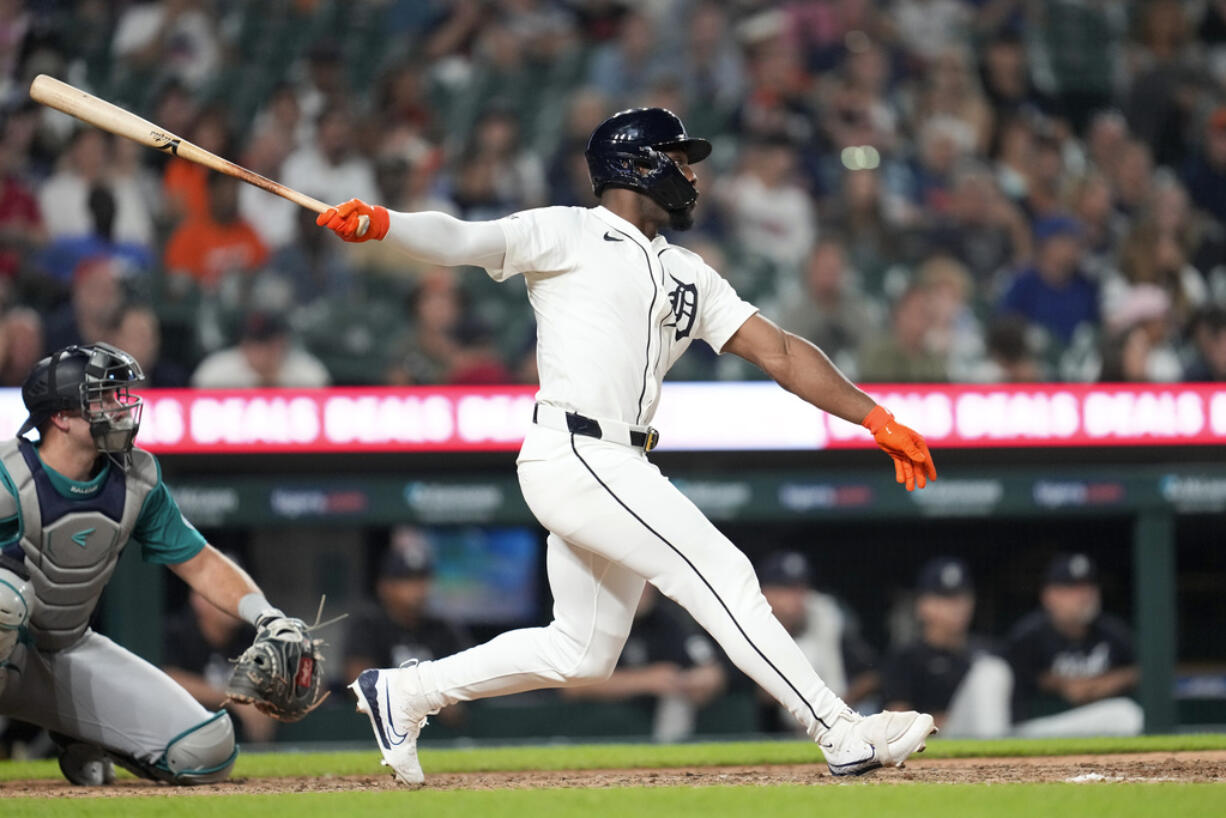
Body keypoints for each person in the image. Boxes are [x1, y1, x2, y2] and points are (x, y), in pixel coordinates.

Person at [316, 107, 938, 785]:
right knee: (721, 573)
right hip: (577, 449)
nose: (691, 174)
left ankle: (405, 693)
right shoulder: (568, 231)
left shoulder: (688, 271)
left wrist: (874, 418)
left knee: (581, 651)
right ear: (638, 164)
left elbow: (781, 351)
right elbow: (461, 238)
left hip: (619, 459)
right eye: (679, 158)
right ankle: (837, 728)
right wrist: (384, 223)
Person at [0, 342, 301, 785]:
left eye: (117, 395)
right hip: (7, 639)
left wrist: (266, 617)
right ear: (61, 417)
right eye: (101, 398)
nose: (118, 407)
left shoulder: (135, 478)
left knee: (206, 751)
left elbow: (199, 562)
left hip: (62, 649)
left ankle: (82, 732)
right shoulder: (9, 473)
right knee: (7, 598)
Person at [560, 584, 726, 743]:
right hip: (594, 734)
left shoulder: (669, 620)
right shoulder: (594, 619)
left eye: (645, 578)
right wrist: (644, 680)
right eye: (632, 578)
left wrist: (700, 679)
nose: (643, 586)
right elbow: (571, 687)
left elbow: (709, 667)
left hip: (659, 733)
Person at [1006, 553, 1143, 737]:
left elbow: (1144, 670)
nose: (1084, 596)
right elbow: (1014, 677)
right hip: (1038, 725)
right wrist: (1060, 684)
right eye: (1072, 588)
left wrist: (1106, 683)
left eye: (1088, 586)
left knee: (1126, 714)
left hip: (1096, 721)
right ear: (1049, 596)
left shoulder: (1114, 632)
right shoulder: (1027, 635)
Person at [749, 551, 879, 733]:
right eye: (785, 589)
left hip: (833, 727)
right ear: (764, 591)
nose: (795, 598)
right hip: (776, 730)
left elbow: (871, 675)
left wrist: (835, 710)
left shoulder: (827, 620)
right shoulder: (748, 624)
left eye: (801, 589)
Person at [882, 557, 1012, 738]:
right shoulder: (907, 656)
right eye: (945, 598)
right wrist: (941, 720)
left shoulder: (990, 651)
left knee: (992, 668)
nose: (957, 606)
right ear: (923, 605)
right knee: (991, 671)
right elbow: (896, 726)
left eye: (961, 597)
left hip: (994, 732)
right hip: (931, 742)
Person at [343, 527, 472, 686]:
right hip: (388, 710)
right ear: (385, 586)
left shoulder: (444, 629)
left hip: (433, 710)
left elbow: (467, 684)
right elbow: (361, 687)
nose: (418, 589)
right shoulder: (368, 626)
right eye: (407, 580)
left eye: (422, 579)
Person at [162, 587, 278, 744]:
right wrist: (234, 697)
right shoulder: (178, 632)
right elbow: (167, 678)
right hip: (183, 741)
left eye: (241, 597)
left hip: (244, 744)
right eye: (228, 596)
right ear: (199, 601)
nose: (236, 604)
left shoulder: (253, 636)